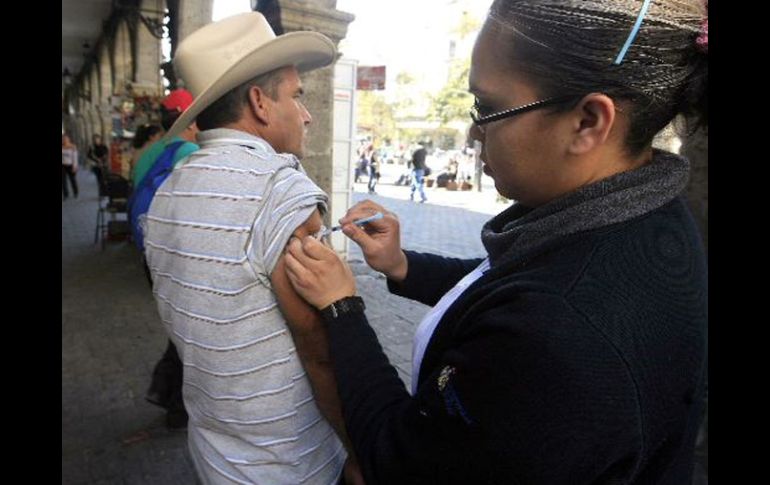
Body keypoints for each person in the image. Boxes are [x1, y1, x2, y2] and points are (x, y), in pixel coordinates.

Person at [282, 0, 708, 483]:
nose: (472, 132)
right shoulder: (645, 213)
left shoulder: (557, 337)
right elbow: (507, 280)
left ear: (588, 121)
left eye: (487, 108)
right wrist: (402, 264)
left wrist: (342, 309)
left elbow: (401, 459)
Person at [143, 13, 362, 485]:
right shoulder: (281, 193)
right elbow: (320, 348)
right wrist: (360, 446)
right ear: (260, 103)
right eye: (298, 96)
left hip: (215, 452)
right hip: (293, 462)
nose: (306, 114)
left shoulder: (169, 190)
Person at [137, 90, 199, 430]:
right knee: (188, 329)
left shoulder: (149, 153)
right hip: (178, 256)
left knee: (179, 327)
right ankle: (174, 401)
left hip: (151, 254)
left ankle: (169, 396)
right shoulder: (189, 152)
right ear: (190, 120)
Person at [61, 133, 79, 199]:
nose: (64, 140)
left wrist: (75, 166)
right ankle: (65, 194)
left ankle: (75, 192)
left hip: (71, 165)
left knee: (72, 179)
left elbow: (75, 157)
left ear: (69, 139)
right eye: (63, 139)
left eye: (66, 138)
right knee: (63, 181)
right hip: (63, 165)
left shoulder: (73, 147)